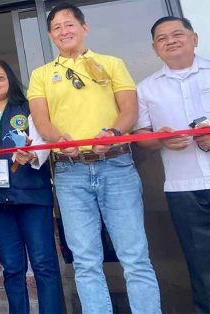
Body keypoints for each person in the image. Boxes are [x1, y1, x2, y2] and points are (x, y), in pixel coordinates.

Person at [26, 3, 160, 313]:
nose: (64, 31)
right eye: (57, 27)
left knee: (135, 257)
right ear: (50, 35)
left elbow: (130, 110)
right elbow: (42, 121)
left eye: (70, 24)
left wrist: (112, 133)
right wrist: (59, 141)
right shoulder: (41, 75)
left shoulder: (111, 63)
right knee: (86, 261)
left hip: (116, 165)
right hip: (70, 172)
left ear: (84, 28)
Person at [0, 59, 61, 313]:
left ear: (10, 80)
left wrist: (31, 156)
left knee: (43, 263)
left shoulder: (29, 109)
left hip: (32, 195)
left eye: (0, 77)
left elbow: (42, 146)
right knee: (11, 266)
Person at [134, 16, 210, 313]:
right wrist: (160, 139)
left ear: (194, 38)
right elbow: (141, 137)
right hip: (183, 188)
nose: (171, 41)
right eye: (162, 38)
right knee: (201, 268)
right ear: (155, 48)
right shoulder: (146, 88)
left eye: (178, 34)